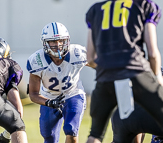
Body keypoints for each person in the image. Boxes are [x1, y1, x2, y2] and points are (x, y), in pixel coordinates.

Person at [85, 0, 163, 143]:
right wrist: (157, 78)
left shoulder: (95, 9)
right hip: (136, 72)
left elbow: (90, 59)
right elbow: (152, 53)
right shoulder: (145, 5)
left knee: (95, 134)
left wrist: (110, 71)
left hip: (105, 78)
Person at [26, 22, 87, 143]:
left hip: (73, 93)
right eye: (53, 41)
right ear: (45, 43)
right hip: (48, 97)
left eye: (61, 40)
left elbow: (97, 64)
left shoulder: (77, 53)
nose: (58, 45)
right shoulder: (37, 60)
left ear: (67, 40)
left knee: (71, 129)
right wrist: (48, 102)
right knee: (49, 137)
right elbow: (33, 94)